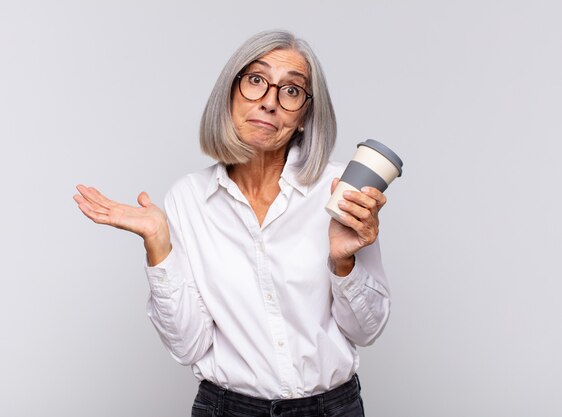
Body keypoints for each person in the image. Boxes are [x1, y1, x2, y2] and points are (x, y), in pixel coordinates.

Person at [74, 30, 390, 417]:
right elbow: (188, 346)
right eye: (256, 81)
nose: (270, 103)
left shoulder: (340, 191)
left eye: (291, 91)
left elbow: (366, 331)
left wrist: (345, 263)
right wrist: (158, 244)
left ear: (306, 115)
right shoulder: (188, 199)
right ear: (230, 94)